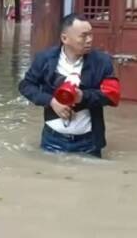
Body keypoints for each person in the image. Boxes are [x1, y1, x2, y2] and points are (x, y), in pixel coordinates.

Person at [18, 14, 120, 158]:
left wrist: (82, 96)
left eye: (91, 35)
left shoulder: (102, 62)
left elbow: (112, 96)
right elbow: (26, 85)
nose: (89, 40)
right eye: (83, 36)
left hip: (89, 142)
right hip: (52, 139)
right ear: (65, 38)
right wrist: (51, 102)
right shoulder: (45, 59)